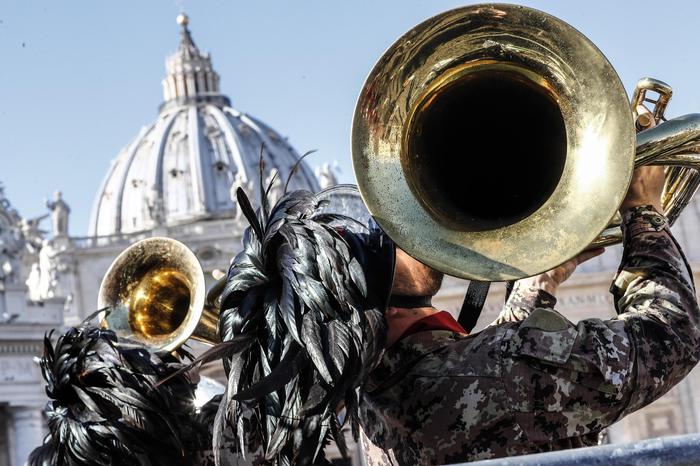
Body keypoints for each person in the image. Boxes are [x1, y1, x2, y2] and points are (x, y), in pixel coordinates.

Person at [357, 159, 700, 464]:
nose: (394, 237)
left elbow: (487, 391)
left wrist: (538, 287)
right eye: (377, 252)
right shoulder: (497, 370)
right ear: (383, 312)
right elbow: (672, 332)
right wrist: (642, 212)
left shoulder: (377, 400)